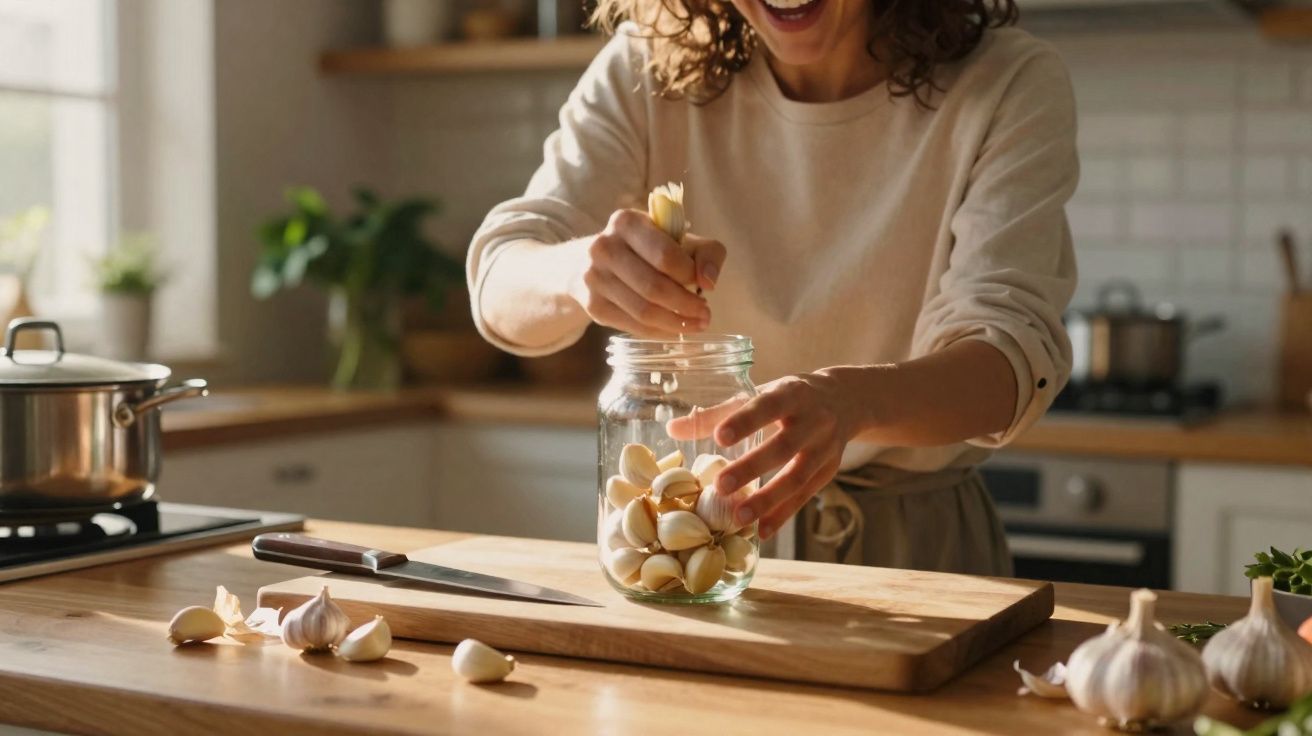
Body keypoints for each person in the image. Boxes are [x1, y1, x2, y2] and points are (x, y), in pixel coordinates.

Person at [467, 0, 1078, 575]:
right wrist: (576, 271)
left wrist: (851, 403)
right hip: (690, 541)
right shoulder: (645, 66)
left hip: (914, 550)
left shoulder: (1006, 81)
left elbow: (1008, 365)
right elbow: (501, 277)